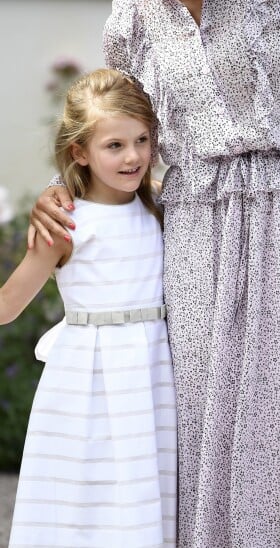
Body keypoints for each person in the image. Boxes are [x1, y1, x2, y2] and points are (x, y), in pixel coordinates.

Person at [29, 0, 280, 545]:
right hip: (197, 227)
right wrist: (64, 190)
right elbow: (116, 133)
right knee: (208, 404)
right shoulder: (129, 18)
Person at [4, 68, 177, 547]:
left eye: (142, 140)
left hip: (153, 373)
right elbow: (8, 305)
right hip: (86, 379)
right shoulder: (65, 225)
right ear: (79, 152)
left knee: (146, 495)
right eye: (114, 146)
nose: (134, 156)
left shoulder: (162, 208)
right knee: (86, 498)